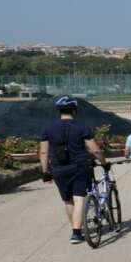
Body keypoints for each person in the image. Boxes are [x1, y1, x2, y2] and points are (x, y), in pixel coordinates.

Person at [39, 96, 108, 244]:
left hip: (58, 168)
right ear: (74, 110)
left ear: (59, 111)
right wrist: (104, 163)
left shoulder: (48, 129)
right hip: (80, 166)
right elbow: (95, 150)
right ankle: (76, 232)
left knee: (68, 200)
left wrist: (45, 171)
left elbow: (44, 152)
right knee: (79, 198)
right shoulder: (82, 127)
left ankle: (76, 230)